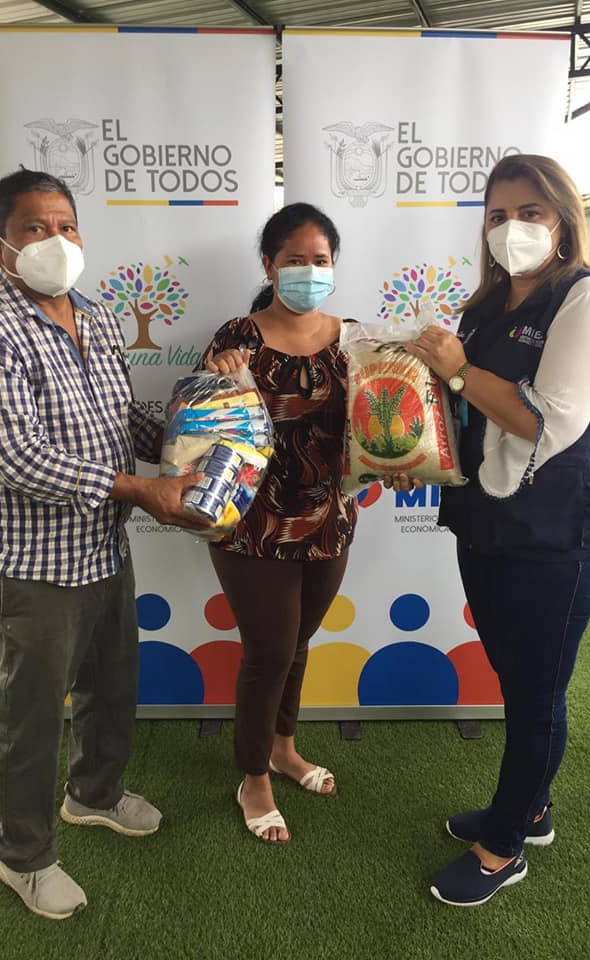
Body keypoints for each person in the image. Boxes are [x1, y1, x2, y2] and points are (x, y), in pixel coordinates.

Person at [0, 169, 208, 921]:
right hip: (30, 564)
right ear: (0, 245)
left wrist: (202, 428)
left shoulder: (97, 315)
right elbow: (18, 457)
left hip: (102, 549)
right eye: (34, 227)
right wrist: (141, 490)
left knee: (111, 686)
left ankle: (94, 794)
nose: (55, 240)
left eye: (66, 225)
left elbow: (121, 421)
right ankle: (24, 855)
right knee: (29, 715)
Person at [404, 154, 590, 907]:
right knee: (517, 676)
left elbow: (545, 422)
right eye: (498, 216)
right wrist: (409, 449)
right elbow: (463, 412)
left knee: (536, 694)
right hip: (487, 522)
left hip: (558, 533)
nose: (512, 229)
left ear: (564, 218)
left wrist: (458, 370)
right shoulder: (486, 305)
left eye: (530, 212)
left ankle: (503, 847)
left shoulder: (589, 298)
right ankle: (530, 809)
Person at [199, 203, 360, 844]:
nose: (309, 271)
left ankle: (284, 748)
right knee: (268, 652)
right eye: (295, 259)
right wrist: (214, 384)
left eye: (320, 260)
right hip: (250, 521)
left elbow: (376, 426)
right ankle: (253, 778)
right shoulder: (237, 338)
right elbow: (202, 432)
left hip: (329, 517)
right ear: (269, 265)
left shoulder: (355, 340)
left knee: (296, 644)